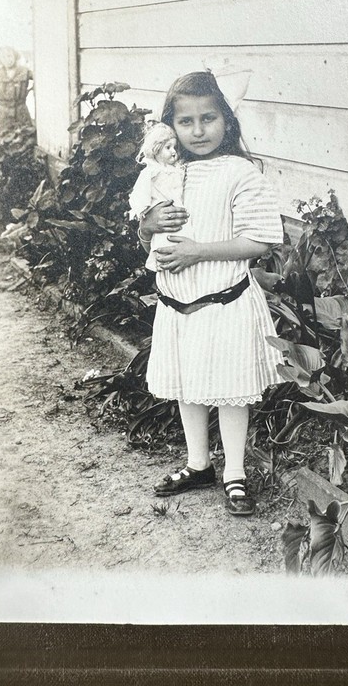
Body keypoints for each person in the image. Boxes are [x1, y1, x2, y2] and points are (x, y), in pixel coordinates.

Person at [137, 71, 283, 516]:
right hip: (177, 305)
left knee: (230, 388)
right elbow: (150, 241)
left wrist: (198, 252)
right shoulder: (165, 173)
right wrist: (147, 226)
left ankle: (235, 472)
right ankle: (198, 463)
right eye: (186, 122)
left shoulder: (240, 172)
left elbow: (259, 241)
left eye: (208, 119)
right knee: (189, 383)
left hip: (224, 302)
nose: (198, 131)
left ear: (227, 121)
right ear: (170, 126)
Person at [128, 122, 188, 273]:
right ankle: (161, 261)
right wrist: (142, 209)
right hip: (161, 211)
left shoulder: (177, 170)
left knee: (180, 234)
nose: (173, 152)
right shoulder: (151, 172)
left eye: (175, 148)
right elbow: (140, 191)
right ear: (156, 149)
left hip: (178, 209)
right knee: (164, 236)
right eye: (168, 148)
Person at [0, 46, 33, 140]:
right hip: (3, 111)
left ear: (15, 56)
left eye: (9, 56)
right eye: (3, 57)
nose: (7, 60)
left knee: (25, 137)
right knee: (0, 139)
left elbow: (39, 78)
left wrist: (32, 90)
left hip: (20, 109)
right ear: (0, 59)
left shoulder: (24, 71)